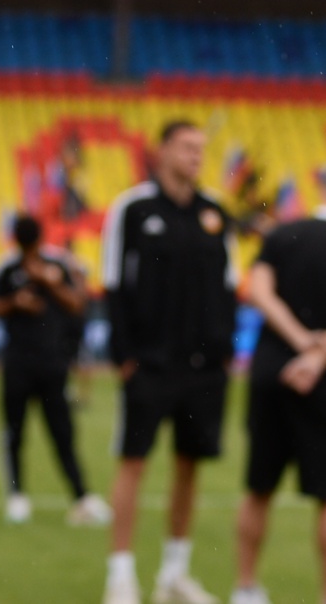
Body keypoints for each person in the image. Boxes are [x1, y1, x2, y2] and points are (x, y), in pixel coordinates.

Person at [100, 120, 238, 604]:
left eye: (202, 148)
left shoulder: (216, 212)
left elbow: (228, 287)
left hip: (203, 369)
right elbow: (113, 283)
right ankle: (120, 575)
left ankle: (173, 575)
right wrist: (125, 356)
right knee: (133, 463)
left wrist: (223, 353)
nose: (196, 155)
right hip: (149, 365)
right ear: (162, 151)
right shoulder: (133, 209)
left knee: (189, 468)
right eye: (187, 146)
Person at [230, 167, 326, 604]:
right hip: (323, 382)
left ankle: (245, 588)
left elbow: (260, 293)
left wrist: (295, 341)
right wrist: (318, 356)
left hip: (270, 371)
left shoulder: (283, 234)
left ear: (322, 192)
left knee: (258, 488)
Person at [0, 213, 112, 527]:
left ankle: (80, 497)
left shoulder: (57, 266)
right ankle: (17, 497)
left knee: (62, 432)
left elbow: (76, 303)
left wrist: (49, 284)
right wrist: (16, 302)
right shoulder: (6, 268)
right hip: (17, 362)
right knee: (15, 431)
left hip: (52, 363)